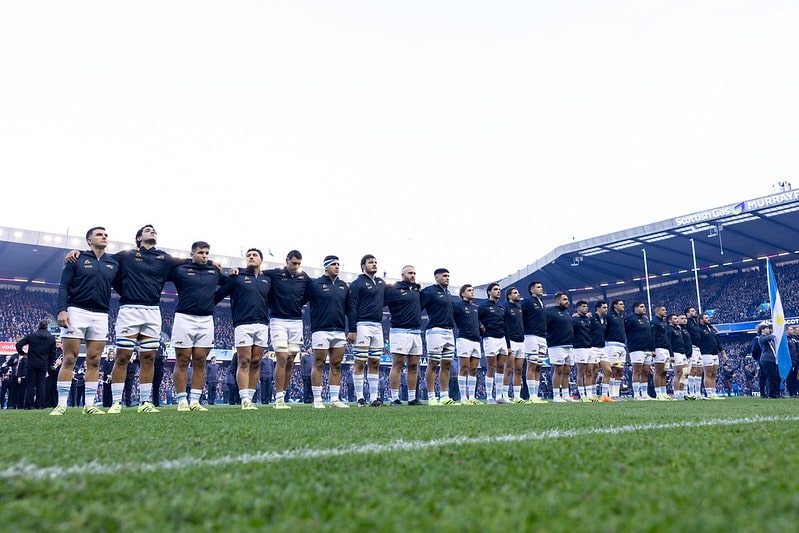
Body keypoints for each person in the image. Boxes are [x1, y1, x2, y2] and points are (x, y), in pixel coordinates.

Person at [65, 224, 185, 414]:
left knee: (149, 358)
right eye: (148, 230)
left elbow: (188, 261)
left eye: (154, 230)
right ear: (138, 238)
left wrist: (211, 263)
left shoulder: (164, 257)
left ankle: (145, 402)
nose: (153, 231)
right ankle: (116, 402)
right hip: (129, 310)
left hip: (153, 311)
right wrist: (78, 253)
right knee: (122, 357)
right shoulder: (126, 255)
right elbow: (101, 259)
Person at [53, 226, 119, 415]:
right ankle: (61, 405)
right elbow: (64, 286)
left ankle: (89, 405)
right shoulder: (77, 258)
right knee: (69, 358)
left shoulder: (113, 263)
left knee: (95, 360)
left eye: (106, 234)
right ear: (89, 240)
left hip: (101, 314)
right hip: (76, 311)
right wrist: (61, 310)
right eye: (99, 234)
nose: (104, 236)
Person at [168, 240, 226, 412]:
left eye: (207, 253)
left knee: (200, 361)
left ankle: (195, 401)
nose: (204, 256)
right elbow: (163, 267)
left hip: (206, 319)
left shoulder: (214, 272)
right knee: (182, 360)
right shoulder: (180, 270)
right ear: (192, 254)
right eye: (201, 252)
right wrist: (188, 261)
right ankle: (182, 401)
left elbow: (230, 283)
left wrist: (234, 272)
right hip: (184, 318)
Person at [215, 247, 271, 410]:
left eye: (255, 255)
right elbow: (218, 294)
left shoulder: (267, 280)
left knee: (256, 362)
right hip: (243, 324)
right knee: (244, 361)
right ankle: (244, 399)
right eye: (248, 255)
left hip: (262, 324)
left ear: (261, 260)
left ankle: (250, 398)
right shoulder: (237, 277)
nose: (251, 257)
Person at [266, 250, 311, 410]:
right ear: (287, 261)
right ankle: (278, 398)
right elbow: (256, 272)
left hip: (296, 322)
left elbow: (311, 292)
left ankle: (283, 396)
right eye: (293, 263)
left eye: (298, 263)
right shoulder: (275, 274)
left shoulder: (304, 277)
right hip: (278, 320)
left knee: (291, 360)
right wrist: (238, 270)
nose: (296, 266)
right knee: (282, 357)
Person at [305, 255, 350, 408]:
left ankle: (335, 400)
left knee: (336, 364)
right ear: (326, 267)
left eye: (338, 264)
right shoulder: (315, 284)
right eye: (333, 264)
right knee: (319, 363)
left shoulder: (343, 286)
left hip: (339, 330)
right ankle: (317, 399)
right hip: (320, 329)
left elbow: (349, 309)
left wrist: (352, 329)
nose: (337, 267)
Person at [347, 254, 386, 406]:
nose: (374, 264)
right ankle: (360, 398)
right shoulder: (357, 283)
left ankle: (374, 398)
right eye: (371, 262)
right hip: (362, 324)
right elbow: (352, 307)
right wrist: (352, 329)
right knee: (360, 362)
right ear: (363, 266)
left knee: (375, 362)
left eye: (375, 262)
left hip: (378, 326)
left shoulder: (380, 283)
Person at [384, 265, 423, 406]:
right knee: (398, 364)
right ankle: (394, 398)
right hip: (399, 331)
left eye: (414, 273)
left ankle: (412, 398)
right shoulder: (394, 289)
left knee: (413, 365)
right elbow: (380, 302)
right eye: (410, 273)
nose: (413, 275)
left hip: (416, 332)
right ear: (402, 275)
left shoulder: (417, 290)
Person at [421, 268, 457, 406]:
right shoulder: (429, 291)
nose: (447, 278)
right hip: (435, 330)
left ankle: (444, 396)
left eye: (448, 276)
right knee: (433, 363)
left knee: (446, 364)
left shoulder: (447, 293)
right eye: (444, 276)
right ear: (436, 277)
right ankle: (431, 396)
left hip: (449, 332)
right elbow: (418, 305)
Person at [15, 319, 57, 409]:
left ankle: (29, 405)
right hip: (43, 364)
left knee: (30, 385)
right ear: (47, 327)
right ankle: (40, 405)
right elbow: (53, 353)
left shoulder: (32, 336)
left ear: (38, 326)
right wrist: (49, 362)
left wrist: (23, 353)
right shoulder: (51, 338)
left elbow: (18, 345)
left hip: (31, 363)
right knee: (41, 384)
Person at [478, 282, 509, 404]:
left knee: (501, 367)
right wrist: (481, 329)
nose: (498, 291)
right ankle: (489, 397)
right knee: (491, 367)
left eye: (499, 289)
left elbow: (506, 325)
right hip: (490, 338)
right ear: (489, 292)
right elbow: (476, 319)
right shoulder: (483, 306)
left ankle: (499, 396)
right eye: (495, 289)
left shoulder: (502, 307)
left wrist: (508, 344)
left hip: (502, 339)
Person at [453, 284, 483, 405]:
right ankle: (463, 398)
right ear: (462, 294)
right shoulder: (457, 306)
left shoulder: (475, 308)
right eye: (469, 290)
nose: (472, 292)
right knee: (464, 368)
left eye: (472, 290)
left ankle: (472, 397)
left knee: (474, 369)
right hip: (464, 339)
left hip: (476, 341)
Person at [521, 281, 547, 403]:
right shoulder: (527, 302)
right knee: (531, 365)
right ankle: (531, 395)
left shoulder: (542, 303)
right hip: (531, 336)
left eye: (541, 287)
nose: (541, 288)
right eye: (538, 287)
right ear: (532, 290)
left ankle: (535, 395)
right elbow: (520, 317)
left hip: (542, 337)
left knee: (538, 366)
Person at [547, 292, 575, 402]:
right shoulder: (551, 312)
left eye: (567, 299)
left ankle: (566, 395)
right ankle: (556, 396)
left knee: (567, 371)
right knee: (558, 370)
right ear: (558, 301)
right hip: (556, 345)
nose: (567, 301)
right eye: (564, 299)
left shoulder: (567, 313)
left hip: (569, 345)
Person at [501, 287, 526, 403]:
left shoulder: (519, 308)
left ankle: (517, 396)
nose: (518, 294)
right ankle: (505, 395)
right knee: (508, 369)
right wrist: (507, 344)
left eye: (518, 292)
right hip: (511, 341)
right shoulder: (505, 307)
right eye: (515, 293)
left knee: (519, 370)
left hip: (521, 341)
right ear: (509, 296)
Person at [625, 302, 654, 401]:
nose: (644, 308)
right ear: (635, 308)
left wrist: (652, 349)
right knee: (637, 371)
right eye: (641, 307)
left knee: (645, 372)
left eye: (644, 307)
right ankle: (636, 394)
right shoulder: (631, 319)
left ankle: (644, 394)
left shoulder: (646, 319)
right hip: (636, 349)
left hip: (647, 349)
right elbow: (625, 331)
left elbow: (649, 335)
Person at [699, 312, 726, 399]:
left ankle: (714, 392)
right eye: (706, 318)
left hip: (715, 354)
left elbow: (718, 342)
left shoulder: (711, 329)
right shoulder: (699, 329)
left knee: (714, 374)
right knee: (708, 374)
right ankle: (709, 393)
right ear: (701, 320)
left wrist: (723, 353)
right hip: (706, 354)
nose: (708, 319)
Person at [604, 299, 628, 401]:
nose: (623, 305)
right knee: (612, 369)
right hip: (611, 345)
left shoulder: (621, 317)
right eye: (621, 304)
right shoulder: (608, 316)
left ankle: (616, 394)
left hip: (622, 346)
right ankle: (611, 394)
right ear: (615, 306)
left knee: (619, 370)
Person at [572, 300, 596, 401]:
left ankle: (589, 395)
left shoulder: (588, 319)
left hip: (589, 347)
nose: (586, 308)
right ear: (578, 308)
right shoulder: (574, 319)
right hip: (579, 348)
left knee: (589, 372)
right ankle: (582, 395)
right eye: (583, 306)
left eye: (586, 306)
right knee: (581, 372)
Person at [651, 305, 673, 400]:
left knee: (664, 372)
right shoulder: (654, 322)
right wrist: (653, 349)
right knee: (658, 371)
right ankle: (658, 393)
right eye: (663, 310)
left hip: (666, 349)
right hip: (659, 348)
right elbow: (652, 336)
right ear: (657, 311)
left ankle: (664, 393)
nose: (665, 311)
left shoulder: (663, 323)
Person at [589, 301, 608, 401]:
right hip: (593, 347)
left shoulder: (605, 319)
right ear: (598, 308)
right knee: (595, 372)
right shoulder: (591, 318)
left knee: (608, 371)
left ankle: (604, 395)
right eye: (604, 307)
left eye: (606, 307)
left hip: (603, 348)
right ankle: (593, 394)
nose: (606, 309)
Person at [683, 307, 704, 400]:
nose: (695, 312)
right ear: (687, 314)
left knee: (699, 371)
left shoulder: (695, 322)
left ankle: (698, 393)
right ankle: (690, 392)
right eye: (692, 311)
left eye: (695, 310)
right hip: (691, 348)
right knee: (691, 370)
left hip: (698, 348)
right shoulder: (687, 322)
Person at [757, 321, 781, 398]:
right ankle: (770, 394)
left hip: (771, 359)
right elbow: (767, 338)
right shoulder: (761, 338)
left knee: (774, 376)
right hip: (766, 359)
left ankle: (774, 393)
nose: (768, 330)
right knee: (770, 377)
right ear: (762, 330)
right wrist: (776, 332)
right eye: (767, 328)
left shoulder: (768, 338)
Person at [667, 313, 688, 400]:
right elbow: (668, 342)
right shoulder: (669, 329)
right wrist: (671, 354)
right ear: (670, 321)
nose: (677, 320)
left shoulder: (678, 329)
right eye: (675, 319)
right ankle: (676, 393)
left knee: (685, 373)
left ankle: (683, 392)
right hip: (676, 353)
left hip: (683, 353)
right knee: (678, 373)